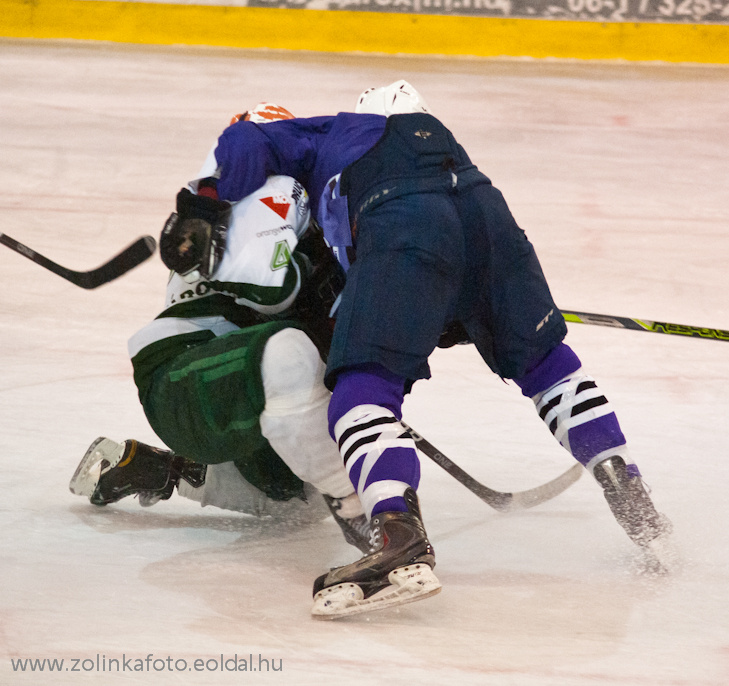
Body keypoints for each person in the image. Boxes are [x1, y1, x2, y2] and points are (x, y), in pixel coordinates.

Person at [166, 83, 673, 619]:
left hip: (402, 220)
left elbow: (245, 138)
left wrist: (199, 208)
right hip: (488, 214)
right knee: (549, 369)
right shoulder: (434, 141)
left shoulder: (333, 131)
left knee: (362, 394)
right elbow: (440, 245)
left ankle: (398, 539)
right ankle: (632, 495)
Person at [70, 104, 372, 553]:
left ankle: (165, 470)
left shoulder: (216, 212)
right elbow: (274, 292)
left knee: (295, 495)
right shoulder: (275, 195)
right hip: (182, 371)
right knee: (289, 354)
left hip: (224, 380)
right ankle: (365, 514)